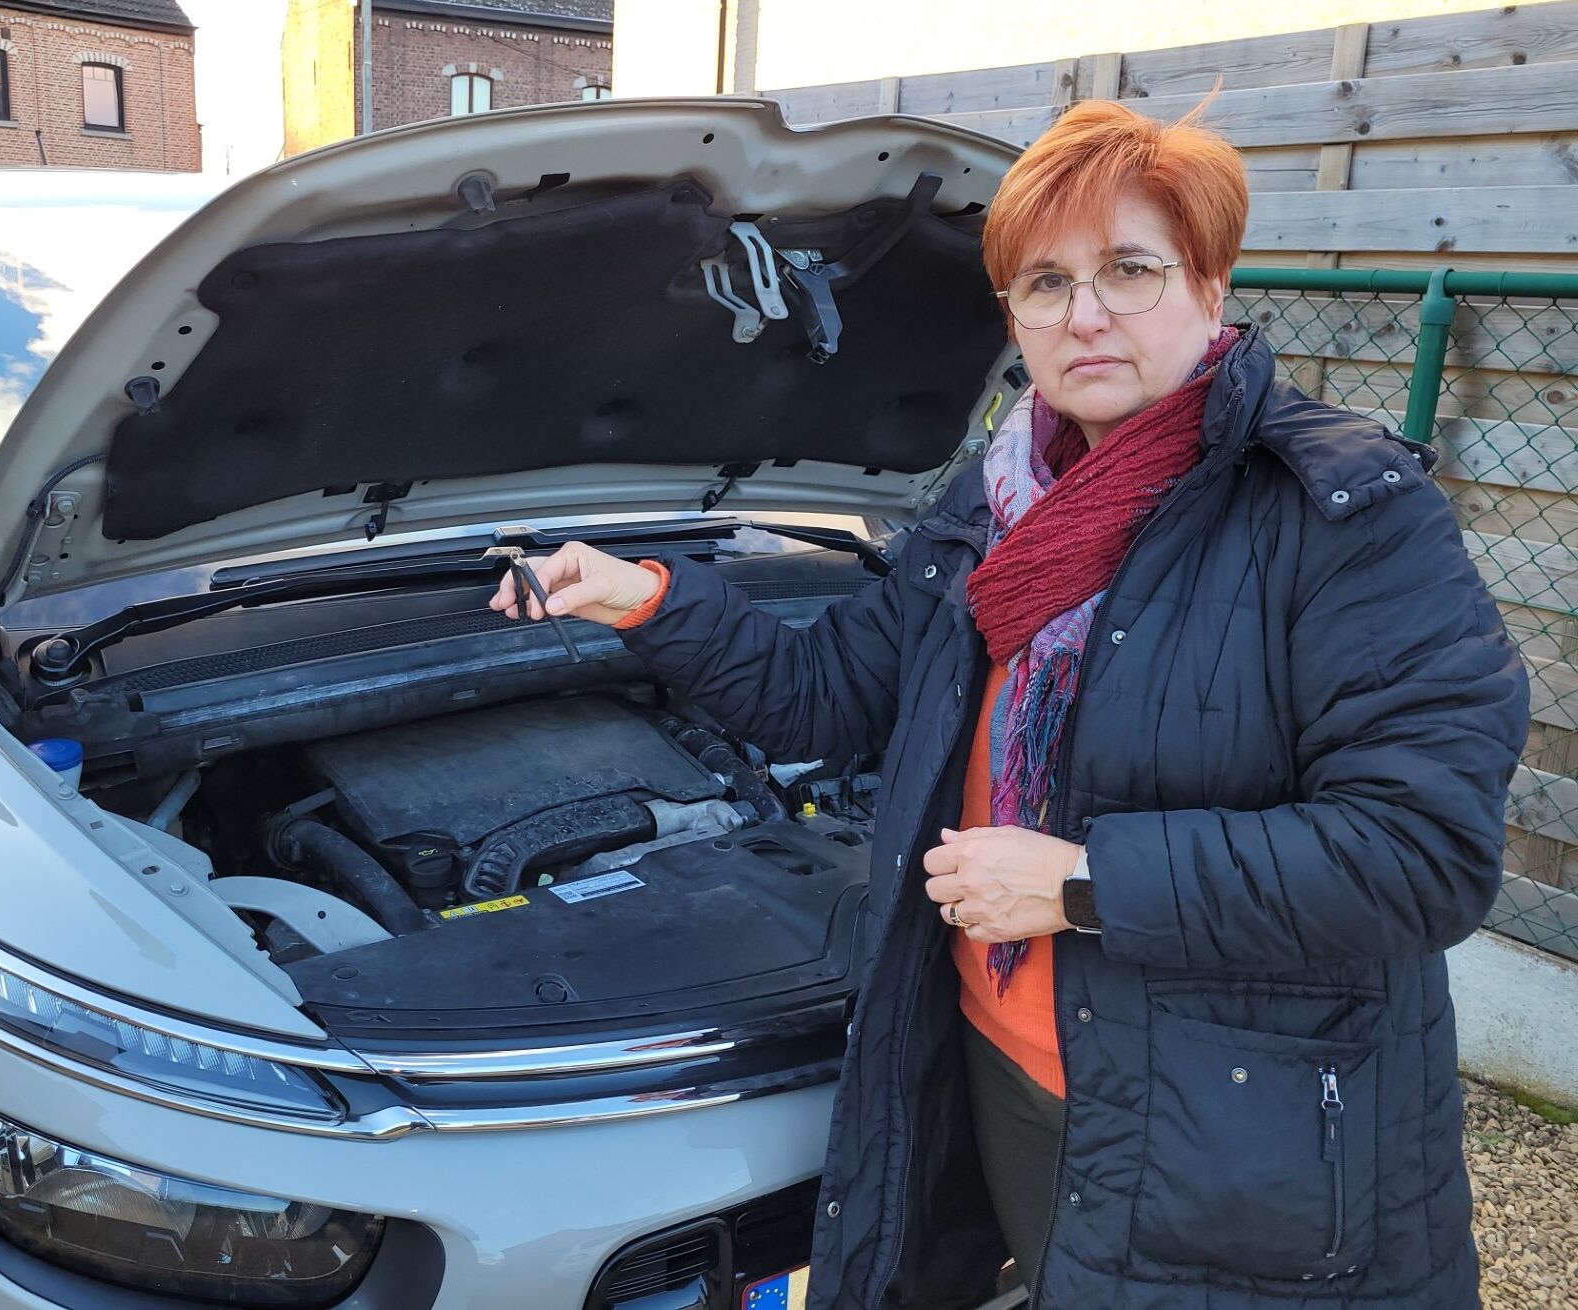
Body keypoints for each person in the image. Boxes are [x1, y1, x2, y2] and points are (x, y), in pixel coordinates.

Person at [490, 100, 1529, 1309]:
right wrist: (648, 597)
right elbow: (826, 693)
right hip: (998, 1067)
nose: (1085, 315)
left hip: (1239, 1134)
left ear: (1210, 283)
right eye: (1046, 283)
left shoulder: (1344, 513)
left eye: (1129, 269)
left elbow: (1423, 853)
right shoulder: (993, 504)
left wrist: (1083, 881)